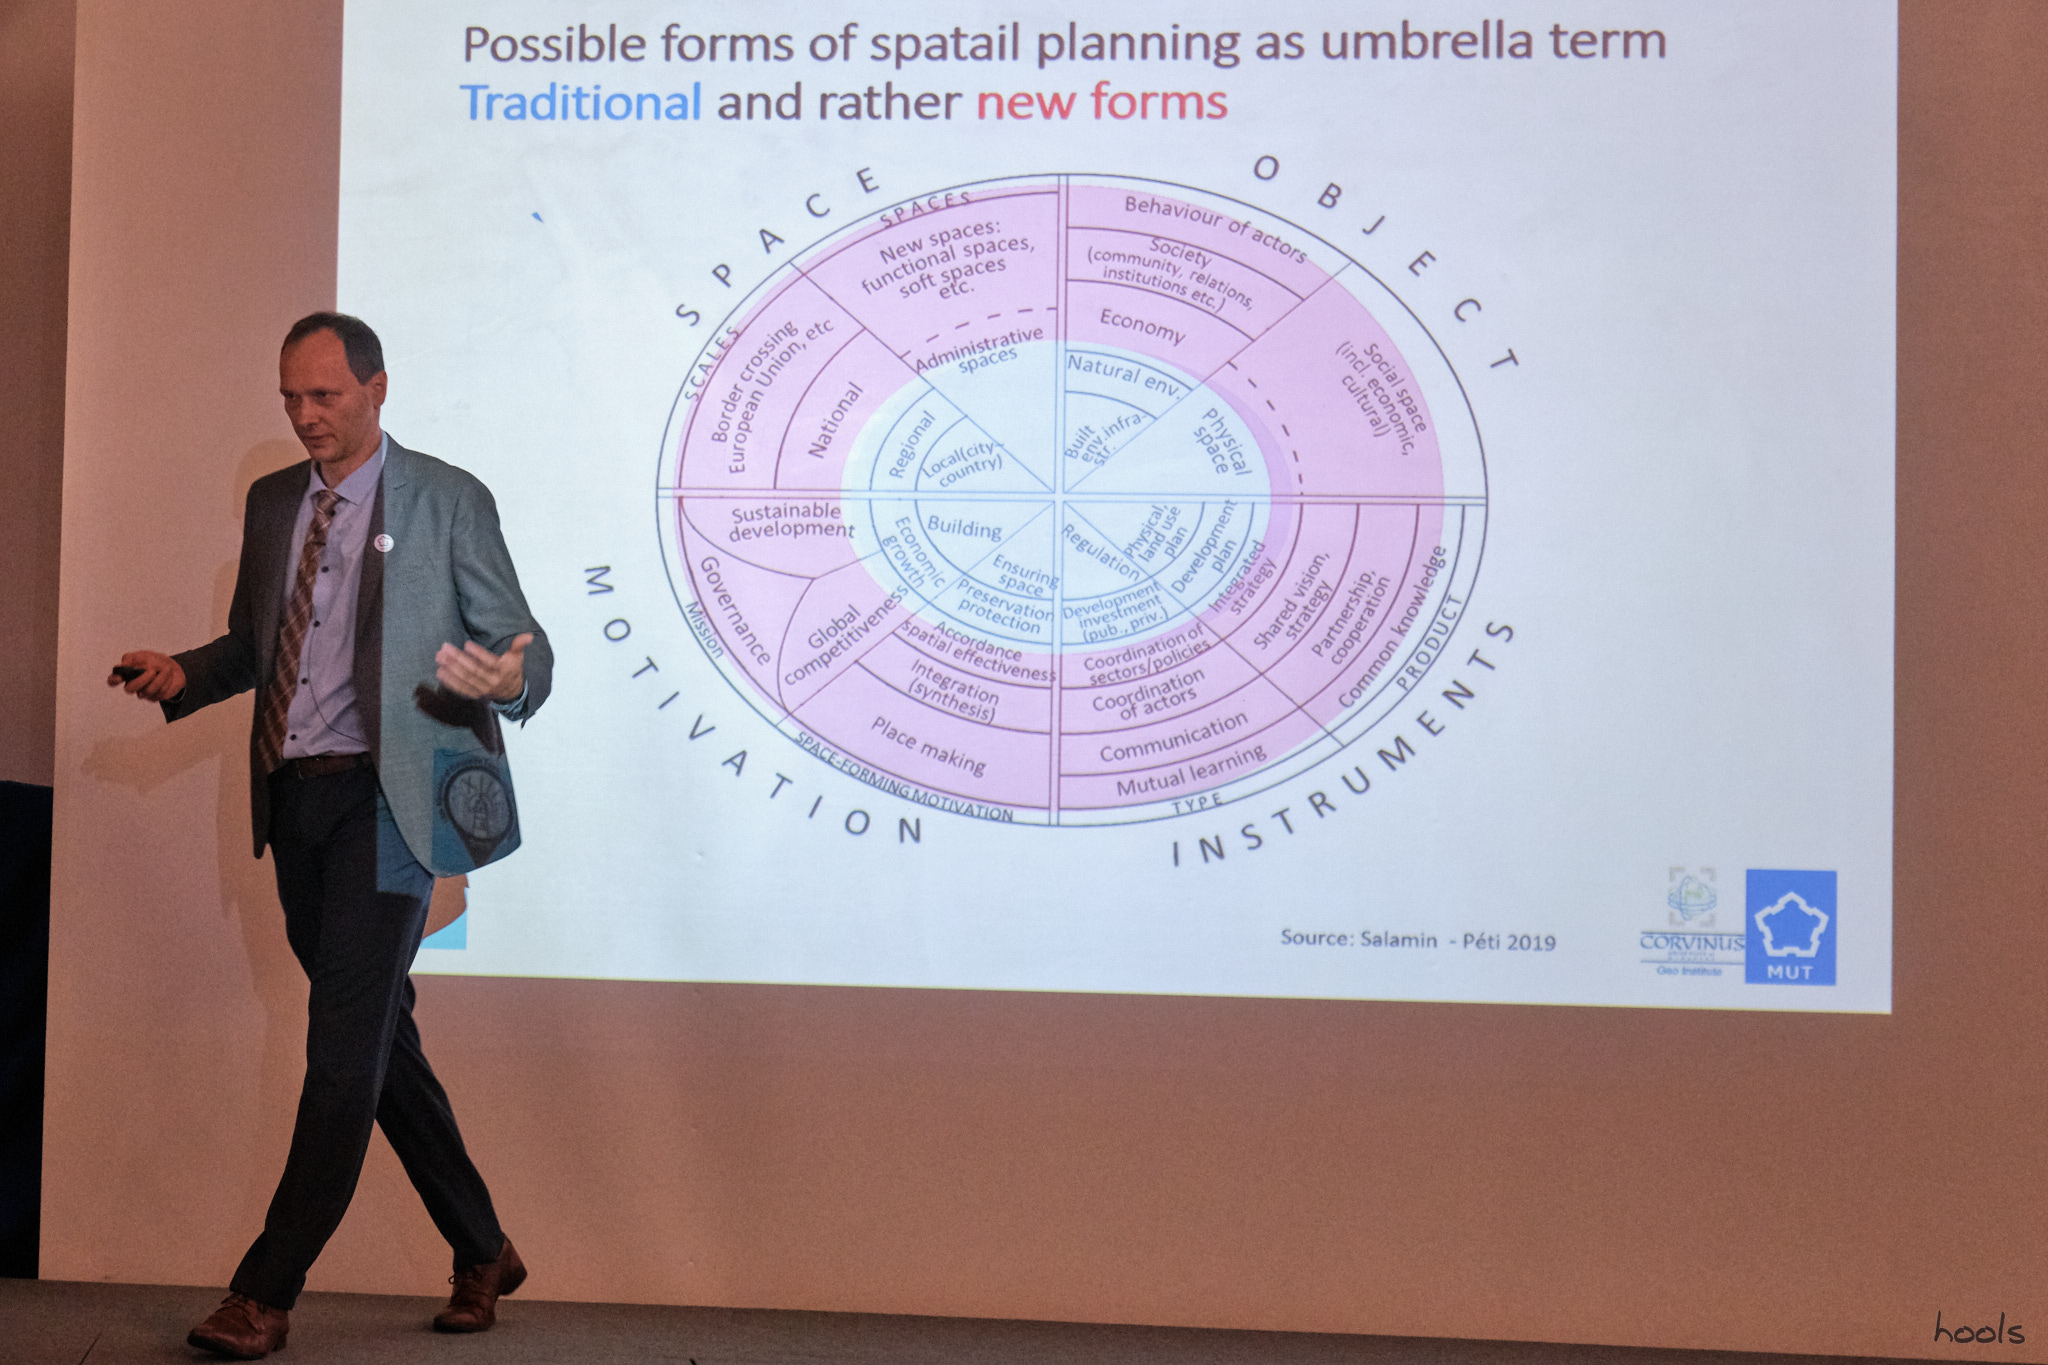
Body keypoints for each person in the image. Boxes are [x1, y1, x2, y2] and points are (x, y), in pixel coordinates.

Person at [111, 312, 552, 1358]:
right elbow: (254, 644)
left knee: (341, 1050)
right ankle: (483, 1246)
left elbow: (522, 647)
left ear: (376, 388)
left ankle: (264, 1293)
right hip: (297, 801)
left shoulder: (448, 497)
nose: (306, 416)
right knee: (377, 1037)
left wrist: (509, 674)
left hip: (393, 805)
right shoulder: (276, 503)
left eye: (326, 396)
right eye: (291, 398)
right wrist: (184, 675)